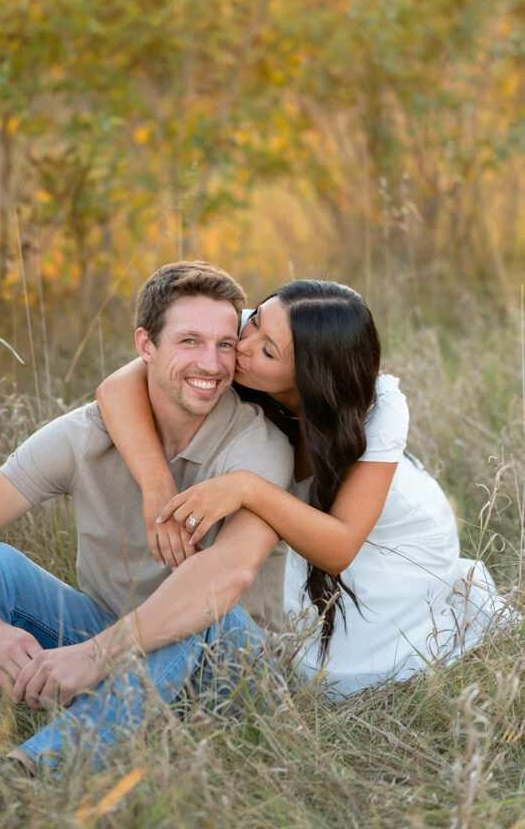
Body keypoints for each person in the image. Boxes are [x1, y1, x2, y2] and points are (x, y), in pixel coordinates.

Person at [0, 261, 294, 818]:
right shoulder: (89, 432)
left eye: (225, 344)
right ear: (146, 345)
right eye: (189, 341)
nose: (210, 364)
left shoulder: (258, 445)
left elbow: (227, 575)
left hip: (229, 680)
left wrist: (96, 654)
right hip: (121, 648)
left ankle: (17, 785)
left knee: (202, 604)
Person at [97, 278, 506, 696]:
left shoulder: (378, 405)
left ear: (308, 375)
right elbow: (117, 386)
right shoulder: (252, 332)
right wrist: (156, 484)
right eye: (254, 320)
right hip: (303, 526)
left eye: (268, 351)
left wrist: (247, 488)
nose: (243, 345)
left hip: (392, 539)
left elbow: (340, 548)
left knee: (326, 669)